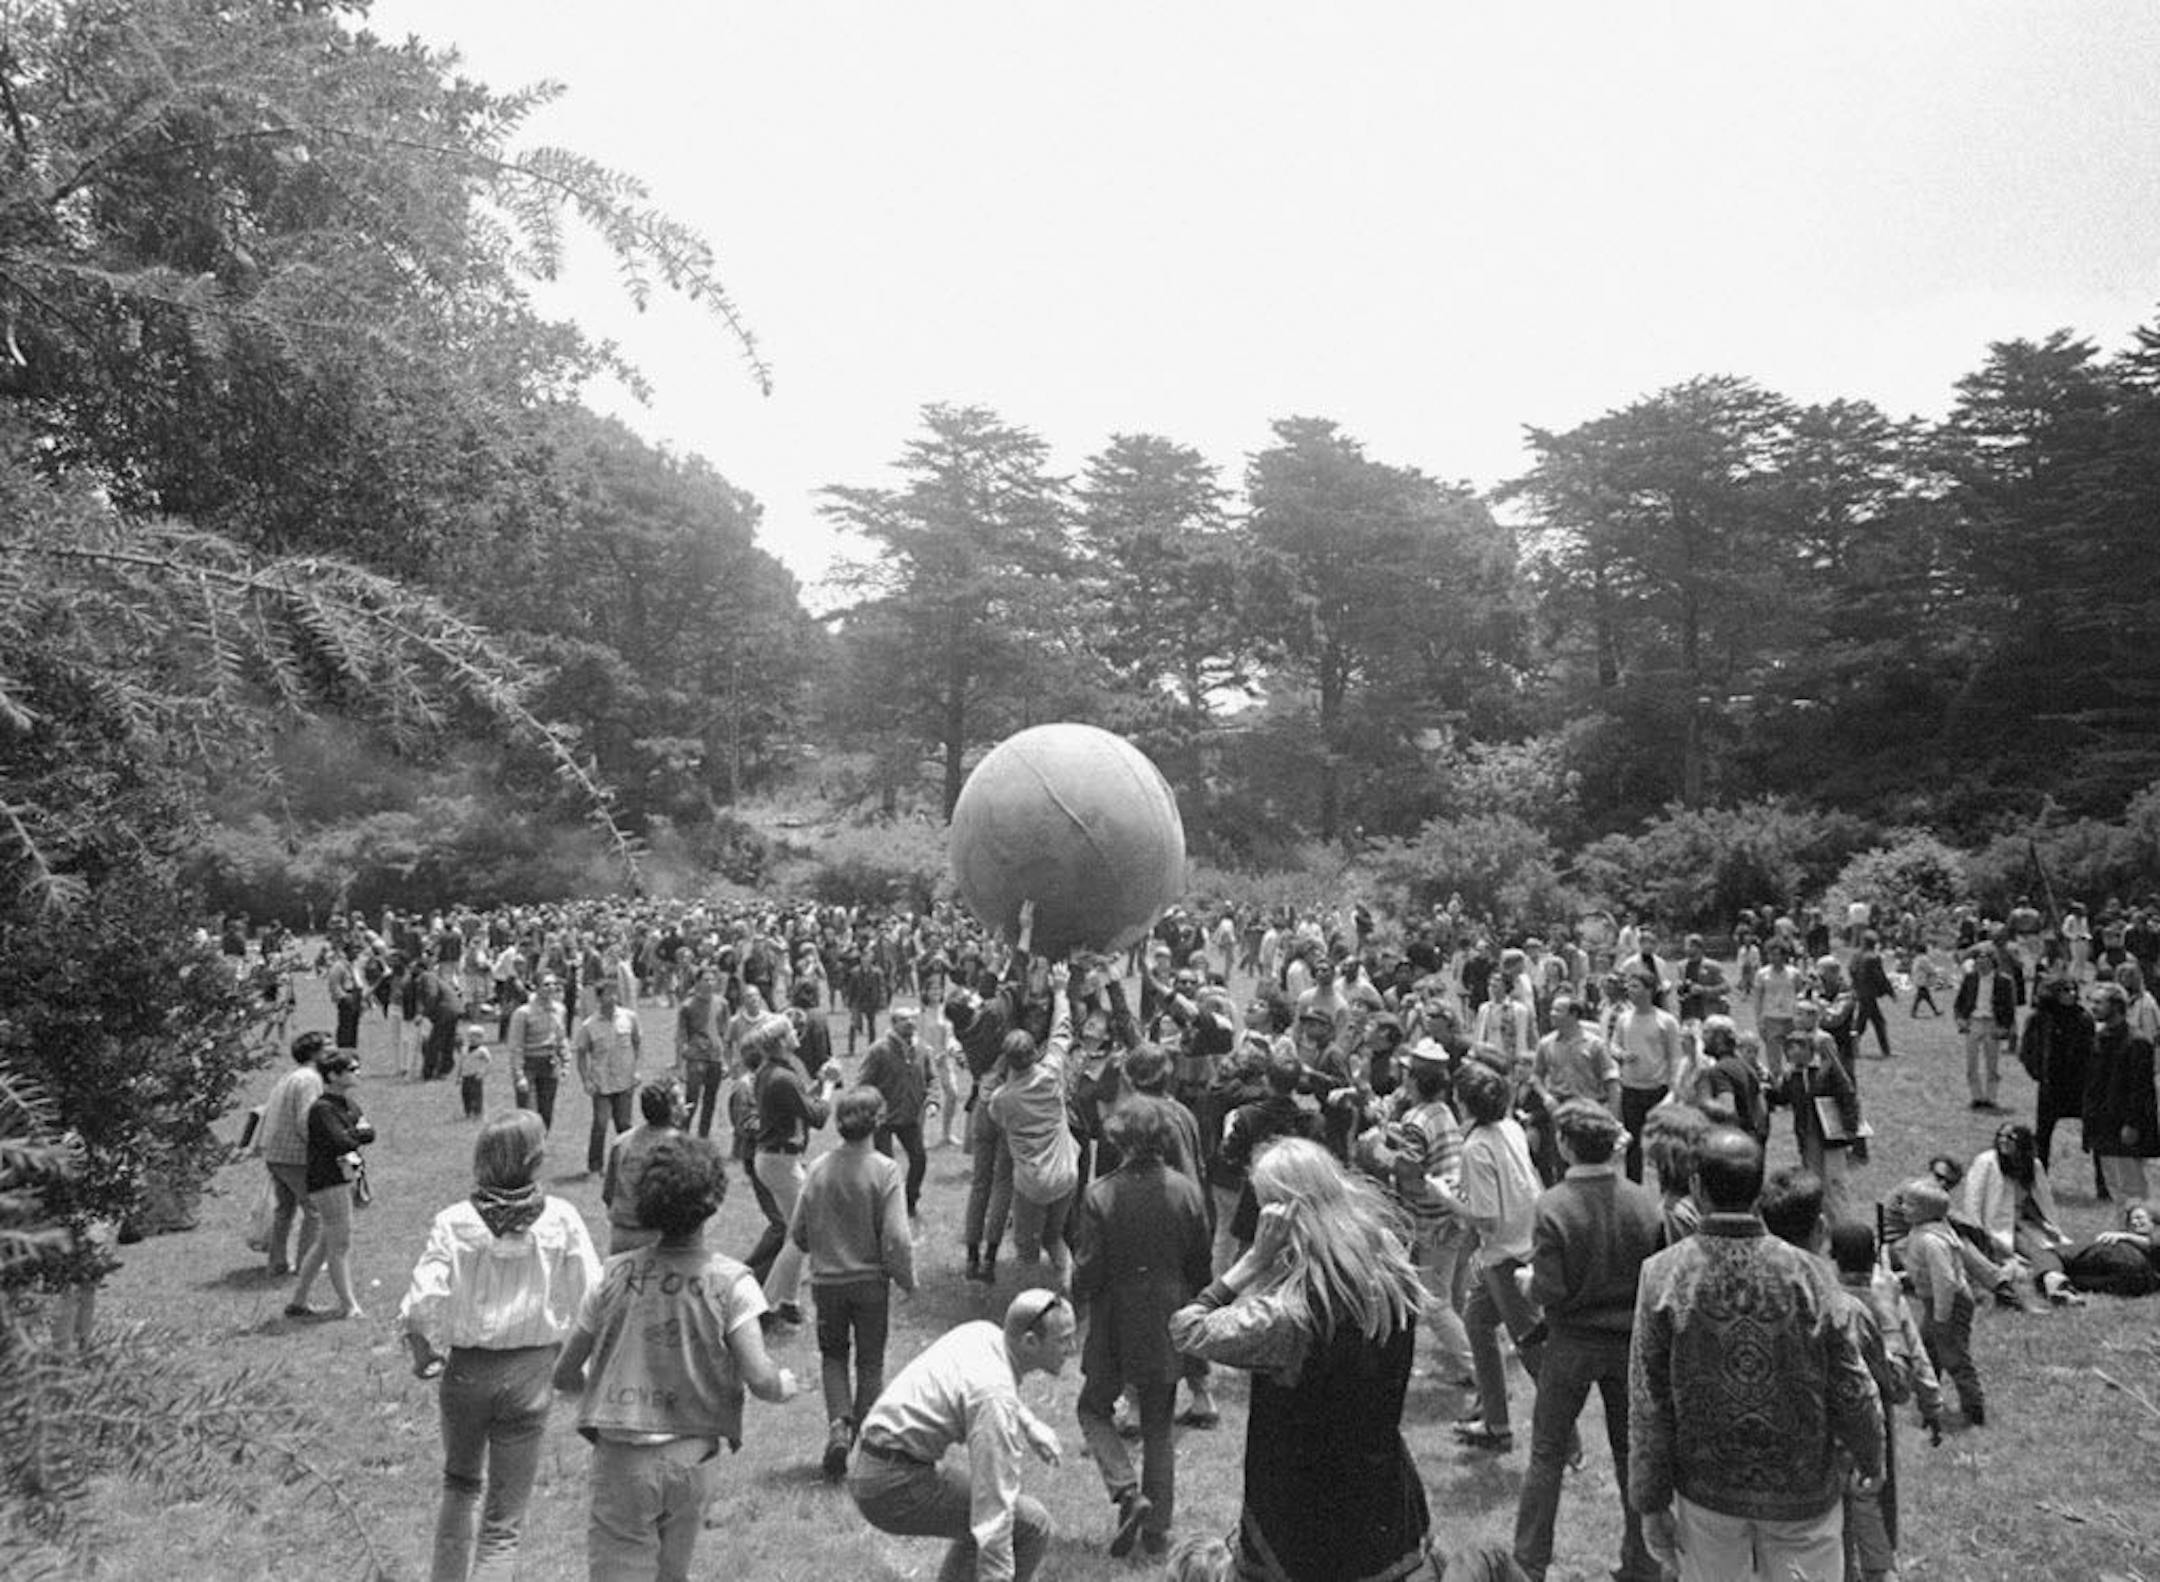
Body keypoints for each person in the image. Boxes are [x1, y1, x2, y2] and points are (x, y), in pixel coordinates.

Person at [1170, 1138, 1434, 1582]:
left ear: (1281, 1215)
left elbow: (1188, 1328)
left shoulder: (1289, 1317)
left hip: (1297, 1513)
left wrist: (1253, 1261)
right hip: (1381, 1492)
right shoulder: (1391, 1267)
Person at [1627, 1127, 1884, 1582]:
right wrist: (1870, 1453)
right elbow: (1850, 1381)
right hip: (1802, 1489)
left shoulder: (1663, 1275)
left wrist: (1650, 1502)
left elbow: (1650, 1399)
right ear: (1757, 1188)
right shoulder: (1810, 1273)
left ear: (1697, 1187)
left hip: (1707, 1491)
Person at [554, 1134, 800, 1582]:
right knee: (673, 1572)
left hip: (622, 1455)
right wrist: (784, 1385)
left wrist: (590, 1385)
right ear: (712, 1202)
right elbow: (761, 1379)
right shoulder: (731, 1283)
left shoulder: (612, 1276)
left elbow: (565, 1371)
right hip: (693, 1455)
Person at [399, 1111, 603, 1582]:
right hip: (533, 1372)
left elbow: (420, 1299)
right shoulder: (561, 1218)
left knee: (460, 1486)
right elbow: (593, 1295)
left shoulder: (454, 1221)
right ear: (534, 1160)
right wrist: (585, 1364)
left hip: (467, 1371)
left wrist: (421, 1348)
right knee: (504, 1523)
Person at [1511, 1101, 1664, 1582]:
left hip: (1571, 1341)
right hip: (1628, 1343)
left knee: (1548, 1454)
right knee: (1630, 1454)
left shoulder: (1553, 1205)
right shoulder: (1644, 1202)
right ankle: (1642, 1561)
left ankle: (1530, 1563)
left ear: (1565, 1145)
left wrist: (1526, 1282)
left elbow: (1550, 1289)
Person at [849, 1290, 1072, 1582]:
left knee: (976, 1514)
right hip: (891, 1484)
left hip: (870, 1460)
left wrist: (1029, 1425)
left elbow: (980, 1383)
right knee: (1031, 1523)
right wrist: (997, 1576)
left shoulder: (983, 1333)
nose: (1072, 1347)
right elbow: (993, 1501)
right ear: (1030, 1342)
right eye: (1063, 1340)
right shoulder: (994, 1400)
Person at [1072, 1097, 1213, 1561]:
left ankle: (1126, 1490)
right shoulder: (1187, 1191)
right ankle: (1156, 1534)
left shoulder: (1101, 1195)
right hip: (1169, 1317)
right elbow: (1202, 1264)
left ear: (1121, 1141)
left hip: (1115, 1317)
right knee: (1159, 1424)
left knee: (1094, 1407)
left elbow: (1087, 1272)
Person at [790, 1084, 916, 1483]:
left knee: (832, 1357)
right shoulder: (885, 1169)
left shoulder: (818, 1168)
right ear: (877, 1122)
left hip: (827, 1283)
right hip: (870, 1283)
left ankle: (838, 1428)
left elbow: (798, 1233)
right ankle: (865, 1442)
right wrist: (906, 1278)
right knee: (870, 1361)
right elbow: (896, 1237)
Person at [1452, 1057, 1545, 1454]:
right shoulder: (1510, 1128)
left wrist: (1445, 1198)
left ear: (1466, 1103)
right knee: (1476, 1322)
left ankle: (1567, 1435)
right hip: (1523, 1240)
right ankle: (1495, 1423)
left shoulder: (1475, 1147)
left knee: (1532, 1349)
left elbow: (1486, 1219)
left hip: (1506, 1255)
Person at [744, 1011, 841, 1325]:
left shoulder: (771, 1071)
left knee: (795, 1232)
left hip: (773, 1159)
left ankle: (788, 1301)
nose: (798, 1033)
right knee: (801, 1234)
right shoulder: (782, 1077)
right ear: (783, 1041)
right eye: (792, 1031)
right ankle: (768, 1305)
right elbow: (818, 1116)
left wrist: (815, 1085)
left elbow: (798, 1102)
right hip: (781, 1162)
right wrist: (827, 1084)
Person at [288, 1050, 373, 1320]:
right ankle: (349, 1305)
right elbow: (340, 1141)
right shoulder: (322, 1109)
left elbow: (369, 1133)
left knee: (326, 1242)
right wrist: (354, 1134)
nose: (357, 1072)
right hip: (328, 1181)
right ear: (334, 1075)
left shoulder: (348, 1104)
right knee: (340, 1244)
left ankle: (298, 1301)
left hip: (344, 1178)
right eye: (351, 1069)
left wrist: (353, 1134)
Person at [1963, 1121, 2083, 1306]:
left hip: (2022, 1223)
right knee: (2033, 1254)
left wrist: (2046, 1225)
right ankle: (2055, 1284)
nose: (2003, 1140)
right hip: (1994, 1227)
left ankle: (2055, 1282)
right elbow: (1973, 1199)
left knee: (2051, 1250)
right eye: (2000, 1136)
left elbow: (2036, 1201)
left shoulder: (2032, 1166)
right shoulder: (1986, 1162)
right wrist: (1977, 1232)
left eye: (2010, 1137)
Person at [1900, 1176, 1985, 1426]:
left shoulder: (1931, 1241)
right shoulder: (1923, 1231)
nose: (1903, 1208)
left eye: (1910, 1205)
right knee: (1928, 1350)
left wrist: (1941, 1317)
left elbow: (1945, 1281)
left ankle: (1974, 1409)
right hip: (1935, 1302)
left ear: (1927, 1212)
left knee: (1954, 1356)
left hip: (1948, 1303)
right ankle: (1931, 1402)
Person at [259, 1029, 328, 1278]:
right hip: (295, 1156)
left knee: (284, 1210)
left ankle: (277, 1263)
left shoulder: (290, 1077)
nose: (332, 1051)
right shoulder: (310, 1079)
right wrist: (321, 1150)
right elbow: (306, 1120)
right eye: (327, 1047)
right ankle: (306, 1265)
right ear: (315, 1053)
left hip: (275, 1153)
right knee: (315, 1209)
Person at [860, 998, 933, 1218]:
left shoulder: (921, 1049)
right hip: (882, 1119)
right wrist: (871, 1108)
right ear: (893, 1024)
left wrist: (933, 1101)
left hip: (910, 1117)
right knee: (886, 1167)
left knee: (919, 1159)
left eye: (912, 1018)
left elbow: (932, 1078)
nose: (910, 1023)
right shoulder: (879, 1050)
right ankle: (887, 1207)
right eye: (903, 1020)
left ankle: (910, 1202)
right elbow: (863, 1083)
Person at [2087, 980, 2159, 1202]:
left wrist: (2133, 1124)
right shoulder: (2099, 1039)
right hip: (2103, 1125)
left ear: (2116, 1006)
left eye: (2099, 1003)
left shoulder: (2137, 1042)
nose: (2094, 1007)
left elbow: (2142, 1090)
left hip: (2125, 1128)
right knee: (2115, 1190)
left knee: (2133, 1190)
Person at [1611, 968, 1680, 1182]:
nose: (1629, 990)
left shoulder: (1666, 1021)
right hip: (1631, 1089)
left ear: (1649, 990)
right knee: (1632, 1144)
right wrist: (1621, 1054)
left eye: (1635, 986)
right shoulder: (1624, 1018)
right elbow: (1613, 1044)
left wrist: (1673, 1091)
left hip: (1657, 1091)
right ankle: (1634, 1188)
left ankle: (1667, 1188)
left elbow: (1674, 1058)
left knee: (1661, 1144)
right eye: (1628, 986)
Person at [601, 1081, 683, 1256]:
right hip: (659, 1238)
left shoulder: (622, 1142)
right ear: (673, 1108)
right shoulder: (680, 1146)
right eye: (681, 1100)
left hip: (622, 1234)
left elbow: (608, 1194)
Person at [573, 978, 642, 1178]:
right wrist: (586, 1080)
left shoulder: (629, 1018)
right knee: (600, 1124)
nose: (612, 998)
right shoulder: (590, 1025)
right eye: (608, 994)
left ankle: (626, 1164)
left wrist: (636, 1069)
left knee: (624, 1124)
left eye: (615, 993)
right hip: (601, 1083)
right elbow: (581, 1054)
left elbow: (637, 1042)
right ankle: (595, 1167)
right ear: (599, 998)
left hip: (625, 1080)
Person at [1953, 944, 2017, 1112]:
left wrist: (2004, 1027)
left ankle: (1991, 1097)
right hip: (1974, 1021)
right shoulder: (1970, 979)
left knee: (1992, 1064)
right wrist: (1960, 1019)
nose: (1981, 966)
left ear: (1992, 963)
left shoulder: (2003, 981)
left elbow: (2009, 1007)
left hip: (1992, 1022)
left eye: (1985, 962)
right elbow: (1959, 1002)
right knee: (1971, 1063)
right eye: (1978, 962)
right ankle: (1976, 1097)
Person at [506, 975, 569, 1130]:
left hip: (550, 1065)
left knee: (546, 1112)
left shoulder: (560, 1010)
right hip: (529, 1064)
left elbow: (561, 1038)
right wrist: (519, 1075)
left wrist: (566, 1063)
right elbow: (516, 1045)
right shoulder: (523, 1013)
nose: (551, 988)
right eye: (546, 984)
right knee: (528, 1113)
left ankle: (540, 1147)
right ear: (536, 987)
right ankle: (526, 1149)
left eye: (554, 984)